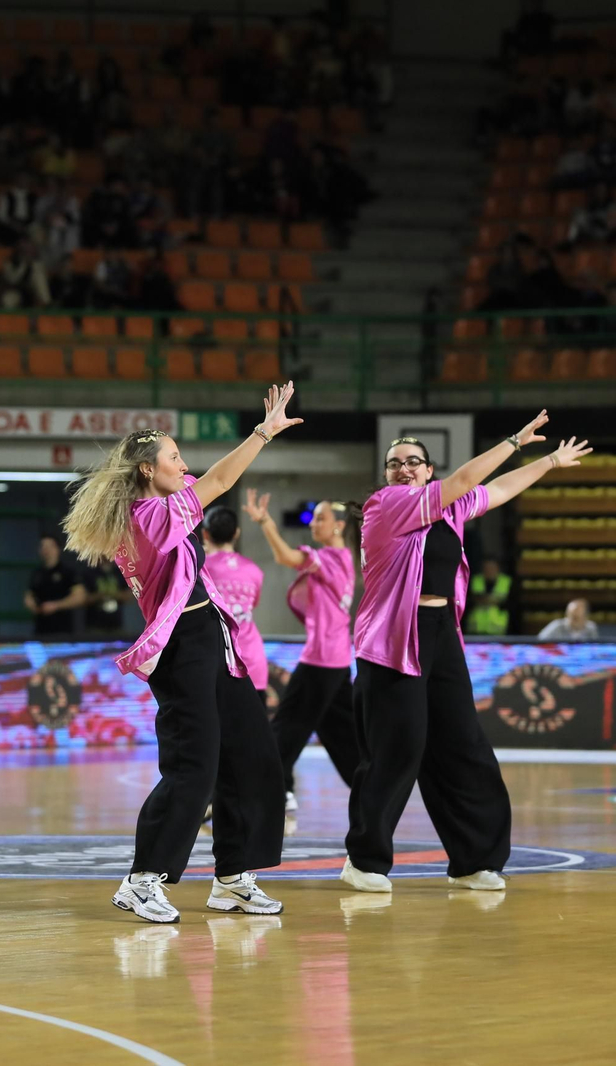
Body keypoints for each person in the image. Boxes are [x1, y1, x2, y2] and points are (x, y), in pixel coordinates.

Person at [61, 382, 302, 923]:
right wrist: (264, 431)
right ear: (149, 470)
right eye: (174, 456)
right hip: (182, 646)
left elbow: (205, 477)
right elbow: (218, 479)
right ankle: (142, 879)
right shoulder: (146, 519)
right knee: (194, 765)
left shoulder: (165, 499)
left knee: (251, 754)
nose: (184, 462)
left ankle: (234, 878)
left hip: (213, 635)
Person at [341, 414, 590, 897]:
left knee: (462, 744)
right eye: (395, 463)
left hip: (441, 632)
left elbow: (497, 490)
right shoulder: (386, 505)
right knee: (398, 748)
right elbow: (465, 480)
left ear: (428, 469)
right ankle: (363, 859)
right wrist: (514, 440)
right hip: (394, 637)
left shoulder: (448, 511)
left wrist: (551, 462)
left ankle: (474, 859)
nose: (404, 469)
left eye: (414, 462)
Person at [242, 491, 359, 813]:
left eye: (320, 518)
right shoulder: (346, 559)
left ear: (338, 526)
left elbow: (286, 557)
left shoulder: (332, 559)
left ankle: (276, 792)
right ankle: (370, 788)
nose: (314, 524)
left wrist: (265, 522)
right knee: (341, 736)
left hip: (320, 661)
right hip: (336, 662)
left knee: (284, 732)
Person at [199, 506, 268, 698]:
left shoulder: (199, 568)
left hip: (214, 663)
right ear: (236, 533)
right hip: (251, 661)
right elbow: (252, 605)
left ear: (205, 533)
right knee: (254, 728)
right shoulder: (254, 570)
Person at [25, 533, 86, 636]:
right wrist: (31, 604)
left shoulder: (67, 572)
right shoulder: (37, 573)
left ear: (57, 549)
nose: (46, 550)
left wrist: (56, 606)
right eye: (43, 546)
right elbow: (29, 595)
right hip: (40, 629)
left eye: (49, 546)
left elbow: (80, 597)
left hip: (62, 630)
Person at [465, 558, 511, 636]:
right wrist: (493, 600)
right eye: (486, 568)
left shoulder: (506, 582)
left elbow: (508, 602)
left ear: (498, 569)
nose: (489, 571)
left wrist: (482, 599)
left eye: (492, 568)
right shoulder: (475, 580)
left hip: (498, 631)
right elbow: (470, 599)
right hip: (475, 630)